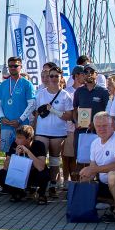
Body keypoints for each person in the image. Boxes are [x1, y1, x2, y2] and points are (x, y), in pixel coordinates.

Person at [78, 112, 115, 221]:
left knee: (113, 176)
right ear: (94, 126)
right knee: (85, 178)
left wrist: (92, 169)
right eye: (98, 126)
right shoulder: (95, 143)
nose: (101, 129)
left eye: (105, 126)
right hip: (104, 183)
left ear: (112, 126)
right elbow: (93, 167)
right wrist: (86, 175)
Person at [31, 66, 73, 197]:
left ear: (61, 78)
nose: (54, 78)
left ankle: (53, 185)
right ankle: (38, 185)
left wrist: (53, 110)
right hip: (42, 131)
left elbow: (69, 116)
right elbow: (36, 113)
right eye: (51, 76)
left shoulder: (66, 95)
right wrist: (33, 128)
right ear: (47, 77)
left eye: (56, 76)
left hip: (58, 132)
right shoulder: (40, 93)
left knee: (55, 160)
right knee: (40, 159)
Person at [70, 66, 109, 181]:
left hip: (98, 132)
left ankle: (98, 187)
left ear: (96, 74)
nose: (89, 74)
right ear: (82, 75)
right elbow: (74, 110)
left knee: (98, 160)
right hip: (81, 131)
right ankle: (80, 186)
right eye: (86, 72)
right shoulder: (79, 91)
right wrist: (76, 122)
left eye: (91, 72)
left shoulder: (103, 92)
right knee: (81, 159)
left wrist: (95, 123)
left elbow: (108, 112)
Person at [0, 56, 36, 168]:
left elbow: (32, 104)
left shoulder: (27, 84)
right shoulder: (3, 84)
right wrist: (2, 117)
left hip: (21, 126)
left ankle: (23, 180)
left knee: (23, 152)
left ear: (21, 67)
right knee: (7, 155)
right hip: (6, 125)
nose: (13, 68)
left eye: (15, 66)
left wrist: (20, 119)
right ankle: (8, 180)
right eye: (10, 66)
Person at [0, 124, 49, 203]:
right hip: (19, 174)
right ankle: (17, 193)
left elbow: (40, 167)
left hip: (33, 174)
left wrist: (28, 151)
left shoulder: (39, 145)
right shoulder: (14, 144)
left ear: (29, 139)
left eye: (19, 138)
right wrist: (16, 155)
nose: (16, 140)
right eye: (16, 137)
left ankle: (41, 195)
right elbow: (6, 167)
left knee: (45, 172)